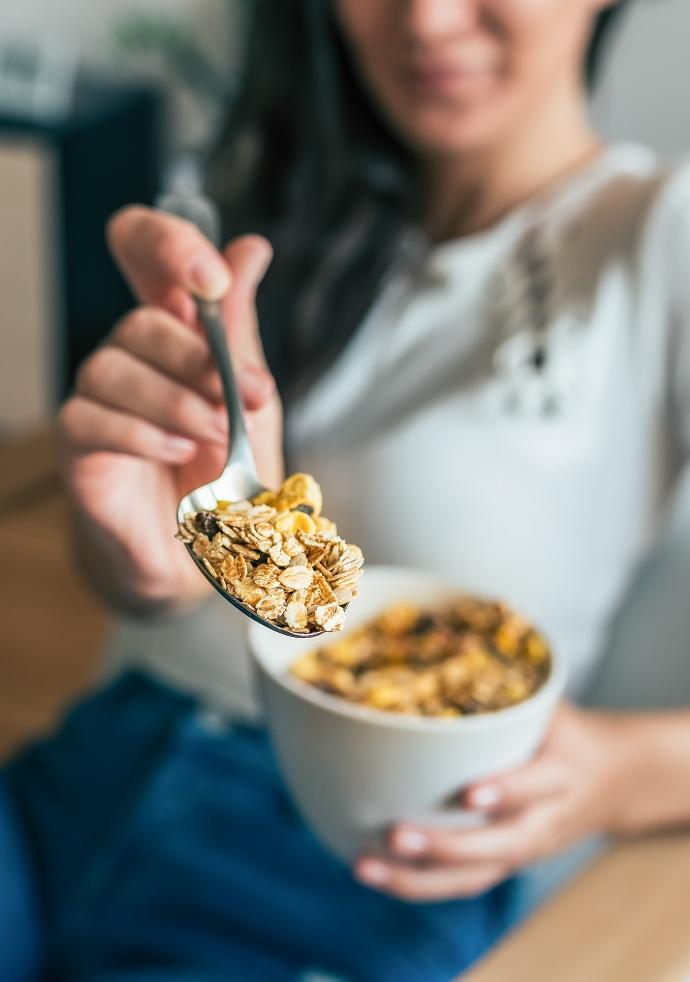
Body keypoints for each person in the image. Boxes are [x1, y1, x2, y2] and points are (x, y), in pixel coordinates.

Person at [4, 0, 690, 978]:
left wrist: (620, 774)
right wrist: (150, 569)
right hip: (93, 762)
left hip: (352, 870)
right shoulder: (271, 205)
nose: (428, 19)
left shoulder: (658, 235)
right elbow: (144, 590)